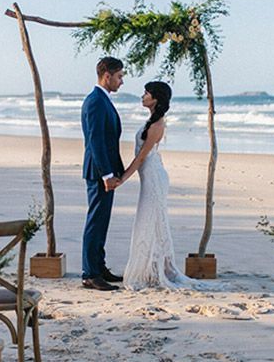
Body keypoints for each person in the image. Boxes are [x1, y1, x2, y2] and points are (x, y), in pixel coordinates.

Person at [118, 81, 200, 290]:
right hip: (151, 175)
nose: (143, 95)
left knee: (149, 222)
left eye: (147, 93)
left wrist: (122, 178)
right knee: (149, 222)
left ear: (156, 98)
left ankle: (154, 271)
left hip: (154, 178)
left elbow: (141, 158)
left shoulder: (157, 125)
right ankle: (151, 270)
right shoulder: (151, 121)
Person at [81, 56, 126, 291]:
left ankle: (99, 267)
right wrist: (107, 174)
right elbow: (96, 141)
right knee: (95, 221)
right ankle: (90, 273)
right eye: (119, 77)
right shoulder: (96, 101)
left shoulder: (102, 99)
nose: (121, 82)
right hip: (99, 172)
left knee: (102, 222)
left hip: (105, 171)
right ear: (106, 75)